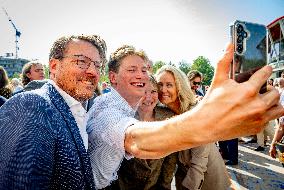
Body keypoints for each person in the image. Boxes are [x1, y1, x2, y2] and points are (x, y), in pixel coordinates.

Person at [87, 44, 283, 189]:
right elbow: (134, 139)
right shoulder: (108, 108)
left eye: (145, 70)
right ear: (112, 78)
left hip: (205, 178)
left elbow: (195, 161)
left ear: (179, 85)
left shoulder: (182, 108)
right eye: (132, 70)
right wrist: (211, 122)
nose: (142, 76)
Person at [0, 34, 107, 189]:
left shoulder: (76, 110)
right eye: (82, 61)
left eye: (97, 65)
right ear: (54, 66)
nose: (94, 72)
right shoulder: (33, 105)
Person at [156, 65, 231, 190]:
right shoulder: (165, 110)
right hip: (183, 174)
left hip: (206, 177)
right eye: (159, 84)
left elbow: (199, 163)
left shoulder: (196, 113)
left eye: (169, 85)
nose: (163, 90)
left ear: (179, 87)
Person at [114, 75, 177, 190]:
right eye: (143, 91)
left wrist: (165, 186)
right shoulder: (121, 118)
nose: (148, 97)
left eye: (153, 91)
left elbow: (170, 160)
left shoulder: (168, 118)